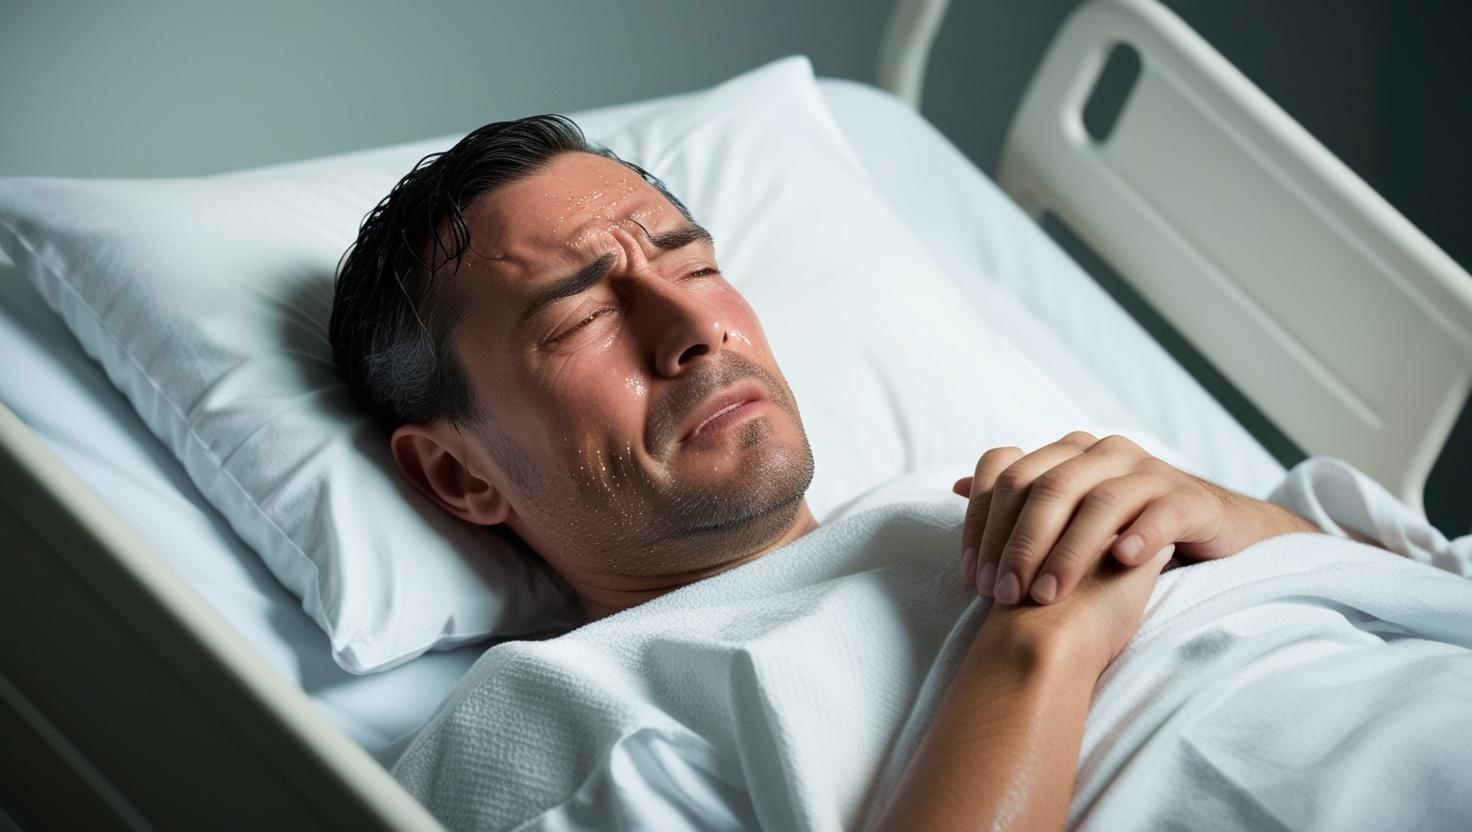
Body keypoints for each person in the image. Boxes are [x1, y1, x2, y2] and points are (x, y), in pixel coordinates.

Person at [328, 116, 1465, 829]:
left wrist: (1237, 522)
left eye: (695, 262)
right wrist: (1037, 644)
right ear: (458, 477)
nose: (694, 327)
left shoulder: (991, 494)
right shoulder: (560, 726)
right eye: (578, 311)